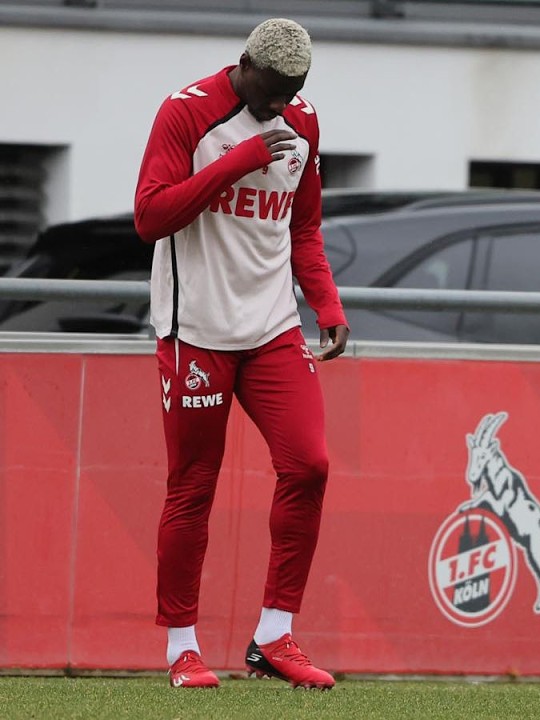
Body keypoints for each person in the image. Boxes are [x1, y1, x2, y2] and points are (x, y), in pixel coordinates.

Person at [133, 18, 348, 690]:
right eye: (273, 90)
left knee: (309, 465)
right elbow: (150, 216)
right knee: (193, 486)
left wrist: (328, 304)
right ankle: (181, 647)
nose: (280, 105)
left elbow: (304, 228)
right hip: (194, 328)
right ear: (244, 65)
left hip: (272, 328)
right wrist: (234, 163)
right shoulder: (186, 113)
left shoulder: (303, 123)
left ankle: (274, 636)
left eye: (294, 92)